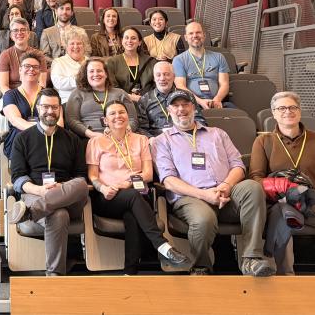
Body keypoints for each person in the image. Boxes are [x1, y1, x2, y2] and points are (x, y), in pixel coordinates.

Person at [153, 90, 275, 276]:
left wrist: (225, 185)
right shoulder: (162, 141)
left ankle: (252, 259)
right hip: (191, 197)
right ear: (169, 110)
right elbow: (169, 181)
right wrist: (205, 195)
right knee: (203, 220)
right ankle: (201, 266)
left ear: (193, 107)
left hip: (226, 192)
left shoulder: (217, 133)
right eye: (175, 106)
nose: (181, 109)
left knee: (252, 187)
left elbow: (238, 166)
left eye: (185, 104)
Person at [86, 100, 188, 275]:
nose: (118, 116)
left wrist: (127, 184)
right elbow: (93, 176)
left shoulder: (141, 140)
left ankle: (130, 273)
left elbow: (148, 174)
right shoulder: (96, 142)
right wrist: (102, 188)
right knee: (133, 200)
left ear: (128, 116)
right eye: (112, 113)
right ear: (105, 120)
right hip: (108, 197)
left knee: (132, 213)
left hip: (137, 194)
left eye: (121, 112)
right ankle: (162, 246)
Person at [7, 88, 89, 276]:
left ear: (60, 109)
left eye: (54, 107)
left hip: (67, 197)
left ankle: (31, 213)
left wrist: (59, 188)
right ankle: (55, 276)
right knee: (58, 216)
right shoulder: (22, 138)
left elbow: (80, 176)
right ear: (37, 108)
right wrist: (40, 190)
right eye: (45, 107)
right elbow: (18, 178)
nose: (50, 111)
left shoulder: (72, 139)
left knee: (82, 184)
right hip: (34, 194)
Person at [249, 91, 315, 275]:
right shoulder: (263, 141)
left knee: (285, 214)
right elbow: (256, 178)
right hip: (280, 200)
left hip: (311, 200)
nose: (288, 111)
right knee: (283, 214)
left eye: (293, 107)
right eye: (282, 108)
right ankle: (285, 276)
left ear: (300, 111)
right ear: (274, 113)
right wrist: (284, 186)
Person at [65, 57, 139, 139]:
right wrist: (90, 134)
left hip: (121, 138)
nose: (96, 74)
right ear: (86, 75)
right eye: (91, 71)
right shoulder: (77, 93)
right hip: (89, 139)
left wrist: (122, 134)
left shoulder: (120, 93)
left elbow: (133, 119)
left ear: (106, 74)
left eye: (99, 71)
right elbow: (72, 120)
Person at [172, 22, 232, 109]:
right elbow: (180, 86)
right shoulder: (179, 60)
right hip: (192, 104)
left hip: (217, 102)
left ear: (204, 35)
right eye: (191, 33)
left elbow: (224, 84)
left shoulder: (219, 57)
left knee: (238, 116)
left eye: (198, 32)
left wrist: (217, 100)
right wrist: (200, 101)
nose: (195, 35)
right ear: (185, 37)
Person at [138, 61, 206, 137]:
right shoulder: (145, 99)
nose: (162, 78)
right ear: (154, 78)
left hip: (185, 138)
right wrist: (151, 139)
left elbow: (200, 121)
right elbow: (141, 128)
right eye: (158, 75)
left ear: (174, 76)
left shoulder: (187, 96)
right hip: (157, 141)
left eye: (166, 74)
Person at [1, 51, 44, 158]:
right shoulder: (9, 95)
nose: (31, 69)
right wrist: (42, 128)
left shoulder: (48, 94)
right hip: (20, 140)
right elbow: (16, 121)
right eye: (27, 66)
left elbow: (59, 123)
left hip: (45, 139)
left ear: (39, 71)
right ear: (20, 70)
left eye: (35, 67)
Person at [0, 17, 46, 95]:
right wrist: (14, 98)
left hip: (35, 95)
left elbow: (42, 84)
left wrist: (33, 98)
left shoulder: (39, 55)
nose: (19, 33)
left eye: (23, 30)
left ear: (28, 34)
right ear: (11, 36)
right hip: (11, 95)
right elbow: (3, 86)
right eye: (15, 30)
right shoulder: (5, 55)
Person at [105, 27, 155, 102]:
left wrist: (144, 99)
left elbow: (156, 84)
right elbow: (112, 87)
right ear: (122, 41)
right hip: (122, 102)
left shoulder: (151, 61)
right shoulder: (112, 62)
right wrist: (129, 97)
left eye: (133, 38)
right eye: (126, 38)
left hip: (148, 102)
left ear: (140, 42)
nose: (129, 41)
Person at [50, 30, 88, 104]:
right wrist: (82, 80)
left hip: (90, 100)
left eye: (79, 43)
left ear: (84, 45)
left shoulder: (89, 61)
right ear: (66, 46)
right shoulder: (59, 62)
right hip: (68, 101)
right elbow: (58, 83)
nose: (76, 46)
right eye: (72, 43)